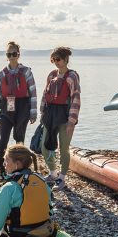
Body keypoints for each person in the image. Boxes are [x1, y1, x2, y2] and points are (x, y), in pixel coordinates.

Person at [38, 47, 81, 189]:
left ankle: (62, 178)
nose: (55, 62)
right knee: (45, 146)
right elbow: (45, 95)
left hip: (65, 115)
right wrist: (42, 114)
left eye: (58, 59)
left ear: (65, 59)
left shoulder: (72, 76)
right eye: (53, 60)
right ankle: (53, 173)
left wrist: (71, 121)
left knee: (64, 148)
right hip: (50, 114)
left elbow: (75, 98)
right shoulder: (51, 75)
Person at [0, 41, 37, 177]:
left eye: (14, 54)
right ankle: (2, 172)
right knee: (3, 140)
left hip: (23, 107)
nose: (12, 56)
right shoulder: (2, 74)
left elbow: (33, 92)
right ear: (7, 56)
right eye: (9, 54)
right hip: (7, 108)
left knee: (20, 140)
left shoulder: (26, 72)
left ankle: (20, 171)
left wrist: (33, 113)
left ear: (18, 55)